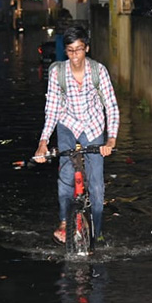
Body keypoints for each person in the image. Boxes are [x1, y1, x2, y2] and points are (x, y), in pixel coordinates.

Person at [34, 25, 120, 244]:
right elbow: (52, 109)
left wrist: (111, 139)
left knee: (97, 185)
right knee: (65, 175)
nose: (75, 56)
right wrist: (43, 143)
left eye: (79, 50)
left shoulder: (98, 71)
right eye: (70, 51)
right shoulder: (57, 72)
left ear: (87, 48)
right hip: (67, 125)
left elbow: (111, 106)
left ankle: (97, 231)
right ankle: (64, 223)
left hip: (93, 127)